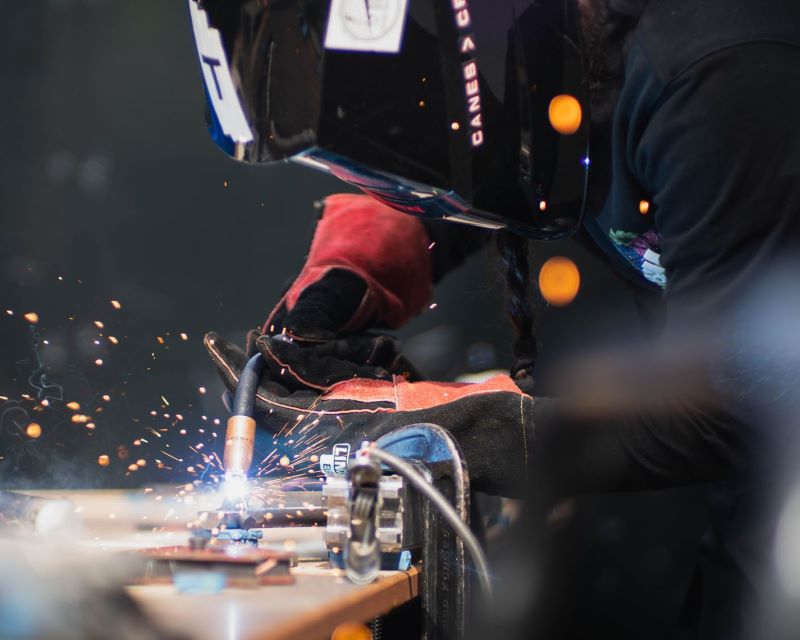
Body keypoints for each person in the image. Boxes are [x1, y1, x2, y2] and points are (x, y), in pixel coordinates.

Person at [188, 0, 800, 636]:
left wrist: (467, 425)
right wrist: (363, 262)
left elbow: (735, 401)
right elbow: (495, 136)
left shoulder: (721, 72)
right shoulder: (564, 47)